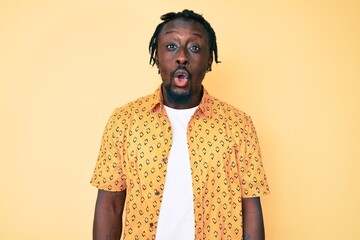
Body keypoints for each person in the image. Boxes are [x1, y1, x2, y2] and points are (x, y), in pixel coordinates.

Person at [91, 9, 270, 240]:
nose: (182, 56)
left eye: (194, 47)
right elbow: (110, 206)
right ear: (156, 56)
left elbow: (251, 207)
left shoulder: (238, 125)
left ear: (209, 60)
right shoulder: (124, 121)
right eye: (171, 46)